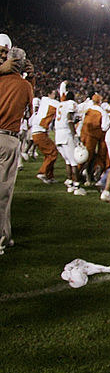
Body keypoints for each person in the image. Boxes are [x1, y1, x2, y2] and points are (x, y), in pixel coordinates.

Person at [0, 40, 34, 254]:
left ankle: (6, 234)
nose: (4, 57)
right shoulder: (23, 85)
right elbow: (29, 111)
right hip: (8, 138)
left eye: (6, 53)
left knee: (5, 194)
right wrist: (29, 80)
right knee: (3, 192)